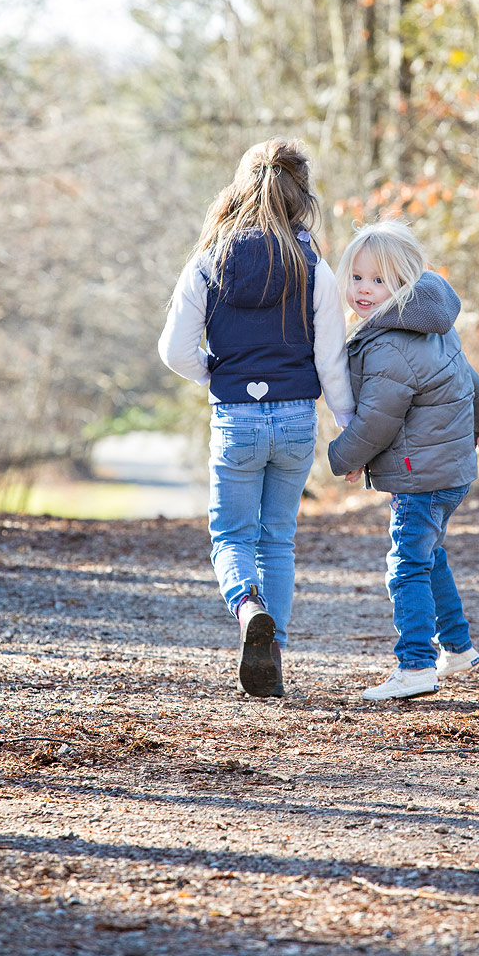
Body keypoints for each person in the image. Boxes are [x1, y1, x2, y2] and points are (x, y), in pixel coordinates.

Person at [158, 138, 354, 698]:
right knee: (278, 541)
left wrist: (212, 374)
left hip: (236, 418)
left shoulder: (208, 260)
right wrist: (347, 422)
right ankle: (274, 652)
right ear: (301, 197)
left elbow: (174, 350)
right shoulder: (313, 265)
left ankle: (247, 611)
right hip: (296, 419)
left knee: (232, 535)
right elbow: (331, 358)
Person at [328, 219, 479, 702]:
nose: (364, 290)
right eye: (357, 278)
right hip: (450, 469)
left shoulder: (390, 344)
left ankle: (416, 666)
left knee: (406, 565)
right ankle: (459, 648)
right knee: (430, 556)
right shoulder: (432, 325)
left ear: (405, 282)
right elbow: (468, 377)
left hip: (421, 476)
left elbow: (377, 420)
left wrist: (343, 457)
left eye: (379, 280)